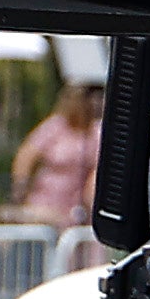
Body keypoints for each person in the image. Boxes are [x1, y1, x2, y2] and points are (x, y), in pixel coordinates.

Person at [9, 72, 106, 242]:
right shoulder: (55, 127)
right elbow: (26, 156)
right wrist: (20, 186)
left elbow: (97, 171)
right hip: (46, 203)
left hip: (76, 208)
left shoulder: (97, 133)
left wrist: (90, 202)